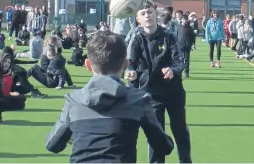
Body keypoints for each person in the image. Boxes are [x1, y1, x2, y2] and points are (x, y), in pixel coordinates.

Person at [45, 31, 174, 162]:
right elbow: (164, 146)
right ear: (126, 65)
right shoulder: (139, 99)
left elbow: (52, 145)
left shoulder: (74, 100)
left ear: (88, 65)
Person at [127, 0, 191, 163]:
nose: (147, 16)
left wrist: (173, 70)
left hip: (174, 93)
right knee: (156, 136)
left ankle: (185, 160)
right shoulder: (136, 38)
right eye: (143, 14)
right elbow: (131, 65)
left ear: (155, 14)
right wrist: (130, 74)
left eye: (149, 12)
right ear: (138, 19)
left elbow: (180, 62)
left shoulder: (169, 36)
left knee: (180, 131)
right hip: (151, 95)